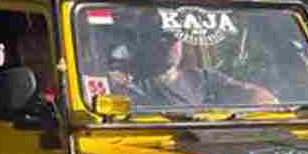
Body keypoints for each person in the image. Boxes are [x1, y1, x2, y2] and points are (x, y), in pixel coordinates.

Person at [119, 15, 278, 108]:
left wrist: (268, 102)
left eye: (177, 37)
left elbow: (247, 91)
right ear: (144, 41)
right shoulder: (130, 81)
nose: (171, 43)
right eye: (163, 37)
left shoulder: (203, 77)